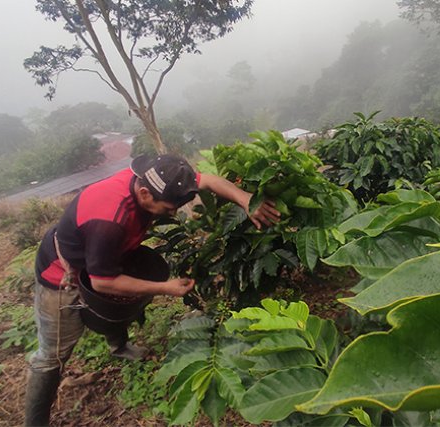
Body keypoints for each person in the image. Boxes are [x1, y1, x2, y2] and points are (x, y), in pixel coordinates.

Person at [24, 154, 280, 426]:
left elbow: (209, 180)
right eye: (169, 209)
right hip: (62, 274)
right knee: (51, 356)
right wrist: (164, 288)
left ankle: (118, 346)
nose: (172, 214)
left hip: (108, 255)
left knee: (118, 302)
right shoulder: (110, 218)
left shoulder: (160, 178)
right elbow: (103, 282)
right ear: (145, 194)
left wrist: (246, 200)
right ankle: (35, 421)